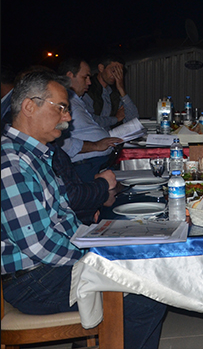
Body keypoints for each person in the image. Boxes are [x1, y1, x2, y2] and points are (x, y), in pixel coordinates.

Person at [1, 70, 166, 349]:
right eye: (61, 107)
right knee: (148, 297)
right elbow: (39, 245)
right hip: (33, 280)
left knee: (138, 258)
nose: (68, 117)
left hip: (46, 269)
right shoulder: (11, 163)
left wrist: (99, 241)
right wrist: (94, 257)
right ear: (29, 106)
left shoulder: (34, 154)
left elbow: (62, 218)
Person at [57, 58, 123, 183]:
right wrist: (95, 145)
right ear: (70, 76)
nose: (89, 82)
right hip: (86, 166)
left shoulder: (78, 101)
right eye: (85, 77)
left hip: (101, 161)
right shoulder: (62, 104)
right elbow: (62, 143)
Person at [83, 55, 139, 129]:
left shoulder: (114, 92)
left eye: (119, 73)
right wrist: (115, 119)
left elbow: (133, 119)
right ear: (101, 68)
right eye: (113, 71)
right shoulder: (87, 89)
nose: (116, 75)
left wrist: (121, 89)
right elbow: (87, 120)